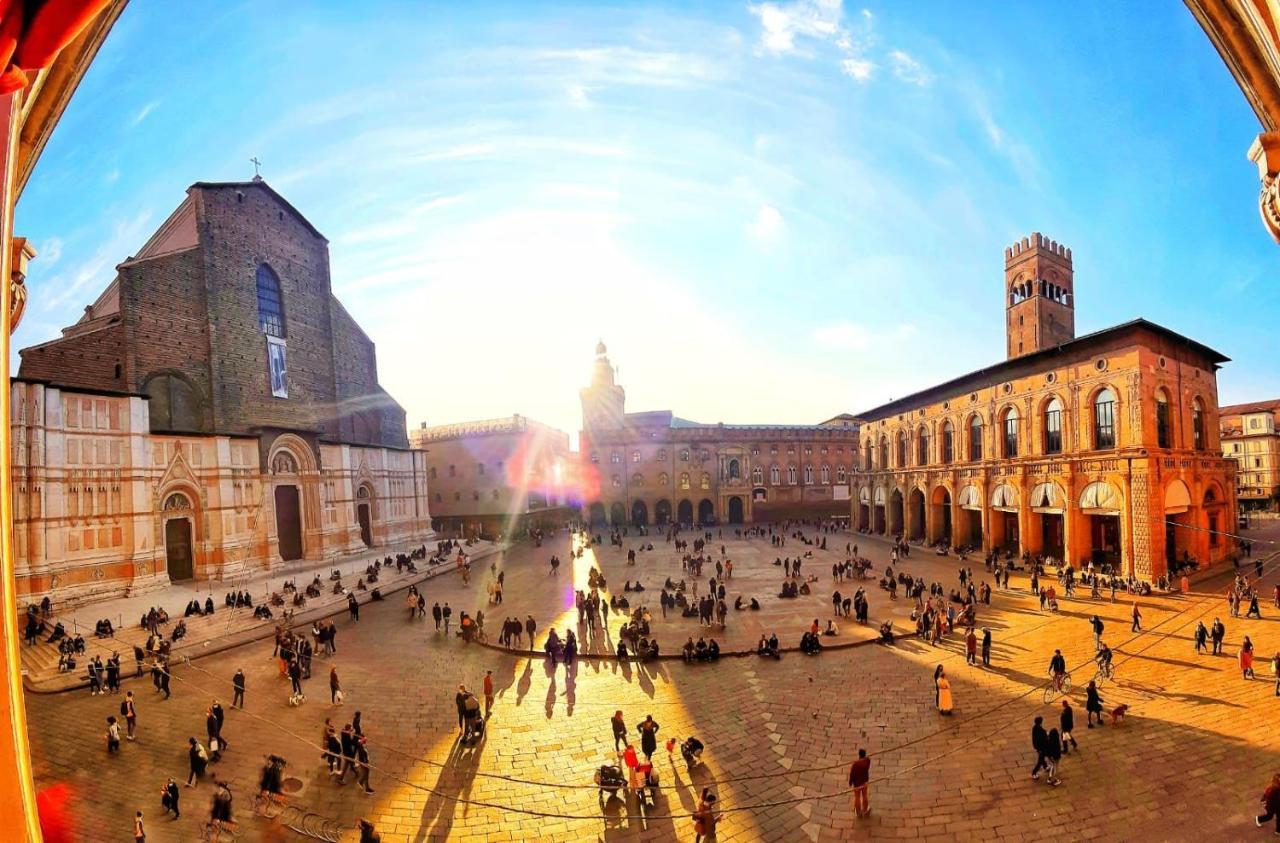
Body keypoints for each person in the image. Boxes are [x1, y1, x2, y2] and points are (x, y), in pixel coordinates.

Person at [848, 748, 871, 818]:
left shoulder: (856, 764)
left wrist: (850, 782)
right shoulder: (867, 760)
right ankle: (865, 809)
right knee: (865, 795)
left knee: (857, 797)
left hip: (857, 783)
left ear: (859, 755)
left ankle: (858, 812)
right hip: (864, 781)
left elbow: (852, 774)